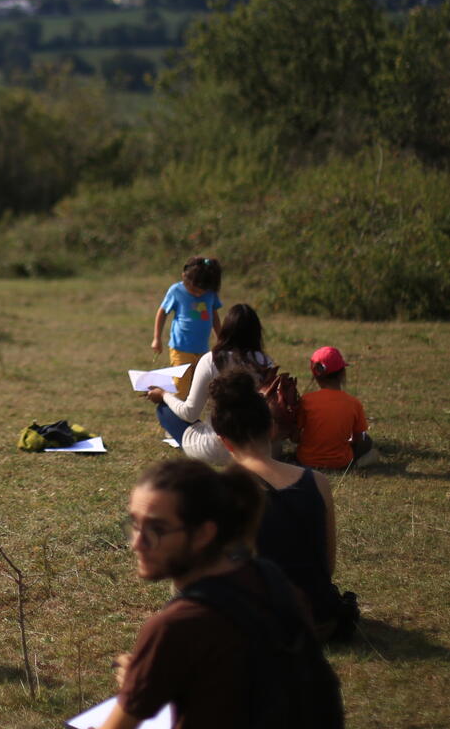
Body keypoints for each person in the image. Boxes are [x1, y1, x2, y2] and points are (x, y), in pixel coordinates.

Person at [101, 460, 342, 729]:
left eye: (157, 529)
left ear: (204, 534)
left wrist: (138, 685)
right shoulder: (271, 580)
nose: (137, 543)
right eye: (135, 524)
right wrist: (150, 679)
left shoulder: (176, 626)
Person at [210, 372, 358, 642]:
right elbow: (328, 566)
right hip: (319, 620)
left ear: (224, 441)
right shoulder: (318, 482)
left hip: (258, 626)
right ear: (272, 428)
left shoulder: (218, 492)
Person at [145, 303, 275, 462]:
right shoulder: (266, 363)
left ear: (225, 329)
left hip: (216, 448)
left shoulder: (212, 360)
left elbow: (190, 413)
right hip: (257, 448)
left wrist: (164, 394)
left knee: (164, 410)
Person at [296, 346, 380, 471]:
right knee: (367, 441)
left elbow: (296, 435)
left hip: (306, 461)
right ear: (342, 374)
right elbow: (358, 438)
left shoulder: (305, 401)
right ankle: (356, 465)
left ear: (315, 376)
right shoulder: (354, 403)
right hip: (340, 462)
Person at [150, 256, 223, 398]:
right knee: (180, 388)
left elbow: (214, 317)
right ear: (185, 278)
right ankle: (171, 408)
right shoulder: (176, 291)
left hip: (202, 350)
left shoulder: (210, 294)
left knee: (199, 388)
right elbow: (162, 312)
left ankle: (189, 411)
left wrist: (221, 340)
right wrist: (156, 338)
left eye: (200, 291)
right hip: (181, 348)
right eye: (193, 289)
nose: (197, 293)